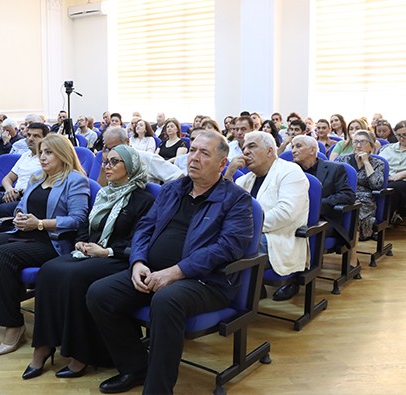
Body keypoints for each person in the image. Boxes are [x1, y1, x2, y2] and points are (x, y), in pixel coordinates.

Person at [86, 130, 254, 395]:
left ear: (223, 164)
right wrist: (138, 261)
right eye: (193, 150)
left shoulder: (236, 200)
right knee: (100, 294)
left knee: (166, 300)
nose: (194, 158)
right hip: (153, 271)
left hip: (205, 281)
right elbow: (145, 227)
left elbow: (228, 248)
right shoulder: (173, 189)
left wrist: (177, 271)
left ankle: (158, 390)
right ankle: (135, 367)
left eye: (204, 153)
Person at [23, 145, 154, 380]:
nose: (107, 166)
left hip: (119, 258)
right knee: (48, 271)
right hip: (92, 252)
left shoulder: (143, 200)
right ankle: (43, 346)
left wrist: (106, 251)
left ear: (130, 167)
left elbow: (142, 241)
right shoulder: (105, 192)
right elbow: (86, 225)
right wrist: (81, 243)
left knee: (74, 278)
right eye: (106, 162)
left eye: (115, 162)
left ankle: (80, 355)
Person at [0, 134, 90, 357]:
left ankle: (14, 325)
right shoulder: (36, 178)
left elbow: (78, 219)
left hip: (52, 241)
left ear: (63, 154)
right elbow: (20, 206)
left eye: (49, 152)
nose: (43, 157)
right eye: (41, 152)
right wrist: (19, 216)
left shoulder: (75, 179)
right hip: (24, 232)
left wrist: (40, 223)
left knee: (2, 255)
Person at [226, 131, 309, 301]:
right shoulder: (245, 180)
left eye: (252, 146)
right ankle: (243, 293)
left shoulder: (291, 172)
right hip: (249, 235)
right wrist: (229, 174)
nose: (246, 151)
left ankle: (234, 300)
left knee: (226, 251)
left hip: (279, 238)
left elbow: (286, 213)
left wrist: (246, 229)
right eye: (243, 148)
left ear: (270, 151)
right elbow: (223, 208)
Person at [288, 135, 356, 295]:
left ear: (313, 150)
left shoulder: (334, 169)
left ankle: (293, 280)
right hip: (293, 217)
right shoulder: (288, 170)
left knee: (299, 233)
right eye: (292, 146)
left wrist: (318, 204)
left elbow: (347, 195)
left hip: (324, 219)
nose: (293, 150)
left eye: (298, 146)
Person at [0, 123, 47, 218]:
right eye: (28, 135)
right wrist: (9, 190)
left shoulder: (46, 159)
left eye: (36, 136)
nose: (30, 139)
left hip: (30, 198)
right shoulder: (25, 155)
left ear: (45, 139)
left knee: (3, 209)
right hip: (14, 195)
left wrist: (19, 193)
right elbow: (7, 179)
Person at [336, 131, 384, 240]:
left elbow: (376, 185)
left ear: (371, 145)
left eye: (363, 142)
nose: (358, 145)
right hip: (344, 195)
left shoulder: (377, 163)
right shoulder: (342, 160)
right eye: (356, 142)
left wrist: (366, 162)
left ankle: (351, 240)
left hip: (364, 200)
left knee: (355, 217)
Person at [100, 128, 182, 185]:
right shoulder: (110, 163)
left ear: (127, 142)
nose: (113, 152)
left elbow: (179, 176)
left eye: (116, 147)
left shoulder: (147, 158)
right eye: (109, 149)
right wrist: (105, 163)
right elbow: (101, 189)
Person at [381, 121, 406, 220]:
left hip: (403, 181)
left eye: (405, 135)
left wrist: (403, 174)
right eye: (398, 135)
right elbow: (377, 163)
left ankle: (384, 220)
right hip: (387, 178)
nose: (401, 138)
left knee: (393, 188)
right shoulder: (388, 149)